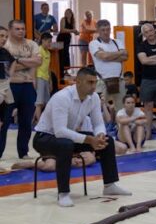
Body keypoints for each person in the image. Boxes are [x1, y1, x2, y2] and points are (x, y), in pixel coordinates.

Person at [32, 67, 131, 207]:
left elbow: (98, 123)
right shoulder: (62, 97)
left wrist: (99, 136)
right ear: (78, 81)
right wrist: (90, 140)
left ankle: (110, 184)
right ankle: (63, 193)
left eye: (95, 83)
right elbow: (60, 131)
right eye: (89, 82)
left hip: (68, 137)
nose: (93, 86)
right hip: (44, 138)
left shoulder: (94, 97)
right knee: (65, 144)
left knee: (107, 141)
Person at [1, 20, 41, 160]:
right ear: (10, 30)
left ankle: (23, 152)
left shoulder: (31, 44)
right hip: (9, 86)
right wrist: (27, 61)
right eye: (17, 29)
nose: (21, 31)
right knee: (4, 121)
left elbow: (38, 62)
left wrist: (16, 61)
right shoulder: (5, 45)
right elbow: (4, 69)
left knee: (26, 121)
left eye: (23, 29)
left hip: (27, 86)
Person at [89, 19, 128, 111]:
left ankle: (120, 125)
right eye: (103, 30)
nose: (106, 32)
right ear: (98, 30)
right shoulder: (94, 43)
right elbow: (104, 56)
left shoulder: (117, 42)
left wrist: (107, 56)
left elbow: (125, 56)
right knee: (101, 110)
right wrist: (119, 53)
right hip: (102, 81)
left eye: (108, 29)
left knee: (121, 110)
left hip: (119, 80)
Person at [0, 26, 18, 145]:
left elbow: (14, 62)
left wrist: (10, 76)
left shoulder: (5, 52)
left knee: (5, 121)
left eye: (6, 37)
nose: (4, 39)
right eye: (1, 36)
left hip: (5, 84)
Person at [33, 33, 53, 124]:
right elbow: (34, 66)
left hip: (46, 78)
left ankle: (35, 118)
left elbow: (48, 68)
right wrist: (34, 80)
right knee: (39, 102)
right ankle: (40, 122)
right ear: (43, 41)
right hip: (39, 77)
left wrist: (50, 81)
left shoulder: (48, 52)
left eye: (50, 42)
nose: (50, 44)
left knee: (47, 102)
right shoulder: (38, 50)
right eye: (49, 42)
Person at [58, 8, 77, 74]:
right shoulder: (63, 19)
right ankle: (61, 70)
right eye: (66, 13)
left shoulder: (73, 20)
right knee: (61, 53)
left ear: (71, 14)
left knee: (66, 53)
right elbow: (62, 30)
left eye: (68, 13)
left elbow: (74, 30)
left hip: (67, 38)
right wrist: (72, 31)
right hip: (61, 38)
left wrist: (76, 32)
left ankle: (66, 70)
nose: (67, 14)